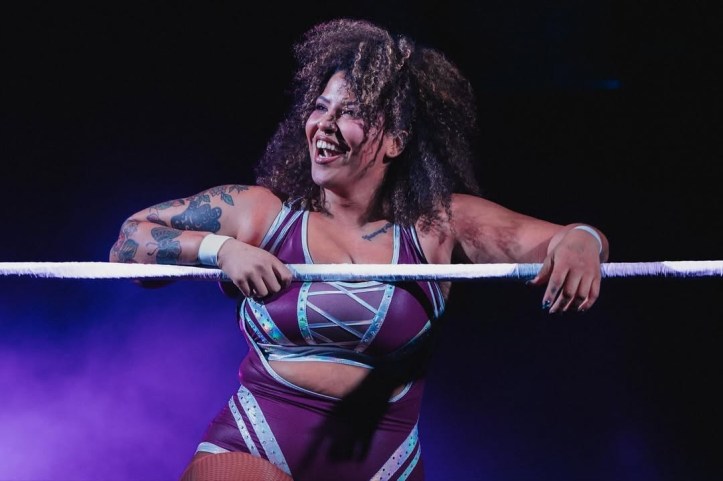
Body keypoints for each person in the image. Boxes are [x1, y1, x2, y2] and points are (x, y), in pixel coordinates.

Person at [109, 18, 609, 481]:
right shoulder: (260, 214)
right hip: (256, 446)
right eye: (320, 107)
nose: (324, 123)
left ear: (395, 141)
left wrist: (584, 241)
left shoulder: (437, 225)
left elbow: (567, 239)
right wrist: (222, 250)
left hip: (384, 465)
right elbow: (130, 240)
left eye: (350, 112)